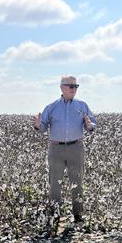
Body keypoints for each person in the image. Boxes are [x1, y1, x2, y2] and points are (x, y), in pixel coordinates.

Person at [34, 75, 96, 223]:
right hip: (56, 149)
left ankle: (78, 214)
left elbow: (92, 124)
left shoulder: (82, 106)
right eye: (71, 86)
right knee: (55, 182)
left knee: (77, 181)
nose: (74, 89)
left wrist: (89, 126)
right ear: (62, 87)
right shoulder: (52, 107)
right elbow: (42, 128)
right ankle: (56, 213)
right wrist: (37, 125)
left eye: (76, 86)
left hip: (76, 147)